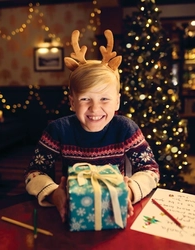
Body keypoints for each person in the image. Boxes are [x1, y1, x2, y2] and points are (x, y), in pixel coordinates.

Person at [24, 29, 160, 223]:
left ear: (117, 102)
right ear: (72, 102)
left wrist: (128, 192)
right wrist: (55, 194)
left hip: (117, 209)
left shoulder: (126, 129)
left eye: (105, 98)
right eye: (85, 98)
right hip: (73, 211)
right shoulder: (57, 130)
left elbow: (151, 170)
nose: (95, 108)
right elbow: (34, 172)